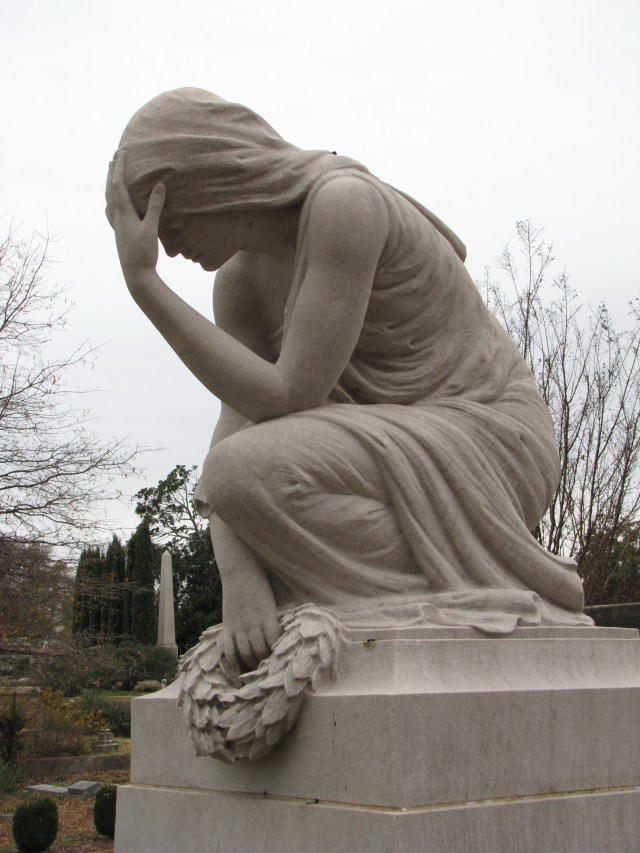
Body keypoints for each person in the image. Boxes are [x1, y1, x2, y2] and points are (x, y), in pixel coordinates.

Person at [107, 87, 591, 670]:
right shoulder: (237, 284)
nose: (165, 245)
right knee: (239, 473)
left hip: (488, 439)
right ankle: (391, 586)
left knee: (241, 474)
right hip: (375, 449)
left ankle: (411, 586)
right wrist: (239, 578)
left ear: (214, 181)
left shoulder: (344, 205)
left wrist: (144, 285)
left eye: (168, 219)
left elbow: (289, 395)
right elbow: (234, 433)